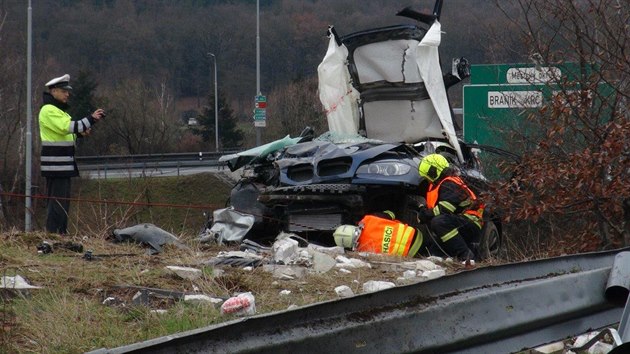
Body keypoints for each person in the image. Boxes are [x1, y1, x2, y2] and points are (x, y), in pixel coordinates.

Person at [39, 74, 106, 234]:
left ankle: (61, 234)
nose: (67, 94)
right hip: (56, 165)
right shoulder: (48, 110)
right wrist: (92, 118)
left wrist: (80, 134)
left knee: (63, 203)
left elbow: (66, 133)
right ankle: (54, 235)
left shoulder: (58, 111)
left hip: (62, 165)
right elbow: (67, 127)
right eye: (64, 91)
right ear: (53, 91)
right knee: (57, 203)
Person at [415, 153, 484, 260]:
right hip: (460, 221)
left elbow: (445, 209)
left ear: (433, 172)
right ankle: (445, 258)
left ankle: (466, 256)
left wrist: (425, 214)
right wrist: (423, 210)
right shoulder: (441, 184)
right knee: (433, 252)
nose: (427, 180)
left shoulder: (449, 184)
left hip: (471, 221)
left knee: (439, 222)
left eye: (427, 176)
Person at [333, 210, 435, 258]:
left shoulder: (362, 251)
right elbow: (391, 214)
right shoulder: (368, 219)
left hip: (412, 254)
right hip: (417, 235)